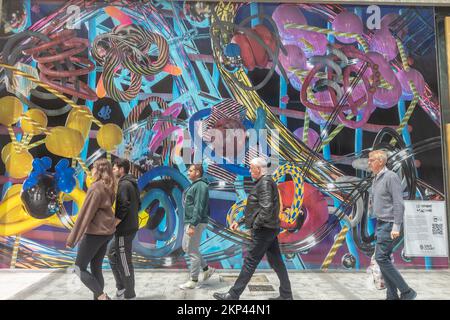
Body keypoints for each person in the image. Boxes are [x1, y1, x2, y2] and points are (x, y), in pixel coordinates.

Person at [213, 157, 293, 300]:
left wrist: (255, 227)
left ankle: (233, 295)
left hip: (263, 230)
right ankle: (286, 295)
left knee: (250, 262)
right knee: (277, 262)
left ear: (258, 169)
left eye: (251, 168)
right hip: (269, 229)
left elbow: (266, 209)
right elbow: (255, 209)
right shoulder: (264, 183)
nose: (249, 170)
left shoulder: (265, 183)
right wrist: (240, 221)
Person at [368, 149, 417, 300]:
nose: (369, 163)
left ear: (381, 161)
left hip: (389, 224)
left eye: (372, 160)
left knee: (381, 258)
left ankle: (407, 292)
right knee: (384, 260)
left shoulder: (391, 177)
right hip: (381, 223)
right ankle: (392, 295)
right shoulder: (376, 178)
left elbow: (398, 203)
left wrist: (396, 225)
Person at [66, 158, 117, 300]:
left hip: (95, 233)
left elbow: (85, 215)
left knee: (79, 267)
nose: (92, 170)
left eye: (93, 168)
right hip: (106, 233)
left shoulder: (95, 188)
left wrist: (72, 238)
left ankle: (102, 296)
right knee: (96, 267)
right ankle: (99, 298)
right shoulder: (110, 185)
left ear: (98, 170)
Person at [108, 158, 141, 300]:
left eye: (115, 168)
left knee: (124, 262)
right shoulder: (132, 183)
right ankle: (121, 287)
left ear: (121, 169)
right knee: (111, 253)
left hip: (124, 231)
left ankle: (129, 294)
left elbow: (123, 207)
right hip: (129, 228)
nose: (113, 170)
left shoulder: (124, 184)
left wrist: (114, 223)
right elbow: (138, 204)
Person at [179, 164, 215, 290]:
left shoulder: (200, 186)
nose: (188, 172)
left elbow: (198, 207)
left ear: (198, 172)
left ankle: (193, 280)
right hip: (191, 221)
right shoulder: (196, 185)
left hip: (195, 222)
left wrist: (193, 225)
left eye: (191, 170)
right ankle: (206, 269)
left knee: (192, 251)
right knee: (187, 247)